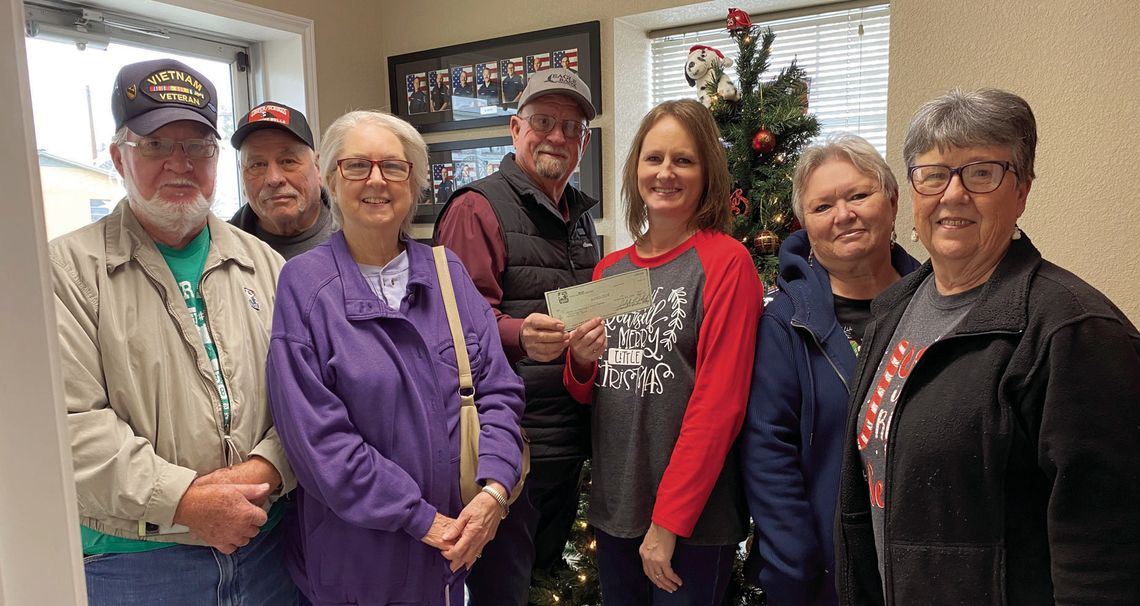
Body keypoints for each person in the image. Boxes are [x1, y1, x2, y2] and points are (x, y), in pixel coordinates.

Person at [835, 89, 1140, 605]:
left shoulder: (1073, 332)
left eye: (980, 173)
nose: (952, 195)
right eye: (933, 173)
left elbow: (1106, 552)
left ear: (1021, 189)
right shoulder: (895, 309)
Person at [49, 58, 298, 605]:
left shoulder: (268, 265)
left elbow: (306, 395)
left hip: (266, 548)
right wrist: (185, 501)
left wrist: (266, 471)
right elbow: (68, 425)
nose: (180, 164)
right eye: (157, 146)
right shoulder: (65, 270)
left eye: (198, 147)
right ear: (119, 157)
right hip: (134, 564)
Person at [267, 110, 526, 605]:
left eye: (394, 166)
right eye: (357, 166)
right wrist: (419, 517)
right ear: (329, 180)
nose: (376, 181)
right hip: (358, 564)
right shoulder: (304, 285)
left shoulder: (447, 273)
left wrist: (494, 491)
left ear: (416, 183)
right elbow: (318, 440)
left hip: (455, 553)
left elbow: (499, 390)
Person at [564, 98, 763, 604]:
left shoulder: (725, 262)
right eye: (654, 159)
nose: (666, 173)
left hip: (690, 523)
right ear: (636, 171)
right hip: (616, 509)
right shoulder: (610, 271)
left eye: (684, 160)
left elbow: (719, 407)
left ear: (706, 174)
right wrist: (582, 361)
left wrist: (668, 522)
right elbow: (594, 391)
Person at [433, 67, 600, 606]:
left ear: (584, 142)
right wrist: (519, 334)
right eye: (543, 121)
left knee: (547, 580)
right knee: (504, 590)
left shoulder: (580, 217)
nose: (556, 135)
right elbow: (455, 325)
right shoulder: (475, 208)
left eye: (570, 126)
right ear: (515, 128)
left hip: (569, 436)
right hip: (510, 447)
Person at [742, 134, 919, 606]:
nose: (844, 215)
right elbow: (767, 454)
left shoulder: (937, 311)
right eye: (823, 206)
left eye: (859, 195)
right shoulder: (785, 324)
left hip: (930, 569)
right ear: (805, 225)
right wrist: (797, 566)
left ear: (893, 200)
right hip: (825, 579)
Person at [229, 100, 335, 259]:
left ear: (318, 167)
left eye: (288, 161)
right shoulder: (220, 252)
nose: (274, 179)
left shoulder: (359, 236)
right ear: (242, 177)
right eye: (257, 165)